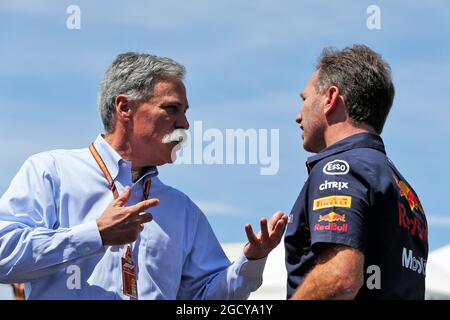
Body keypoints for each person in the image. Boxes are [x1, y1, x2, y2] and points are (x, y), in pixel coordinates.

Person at [0, 52, 288, 300]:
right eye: (171, 108)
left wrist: (251, 261)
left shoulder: (182, 210)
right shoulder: (52, 172)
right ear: (125, 107)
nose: (185, 123)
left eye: (185, 111)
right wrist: (95, 234)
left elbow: (202, 298)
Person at [285, 44, 428, 299]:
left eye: (305, 99)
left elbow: (340, 278)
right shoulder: (404, 190)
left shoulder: (338, 168)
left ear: (330, 98)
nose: (298, 116)